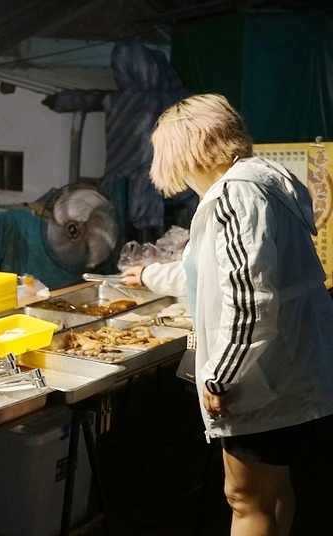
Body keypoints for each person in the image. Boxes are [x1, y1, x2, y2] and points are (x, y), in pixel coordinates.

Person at [149, 93, 333, 536]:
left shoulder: (233, 195)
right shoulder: (262, 186)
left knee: (244, 498)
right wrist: (147, 275)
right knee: (272, 490)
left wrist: (220, 376)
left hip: (261, 379)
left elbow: (252, 301)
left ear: (188, 150)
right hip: (289, 372)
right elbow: (211, 273)